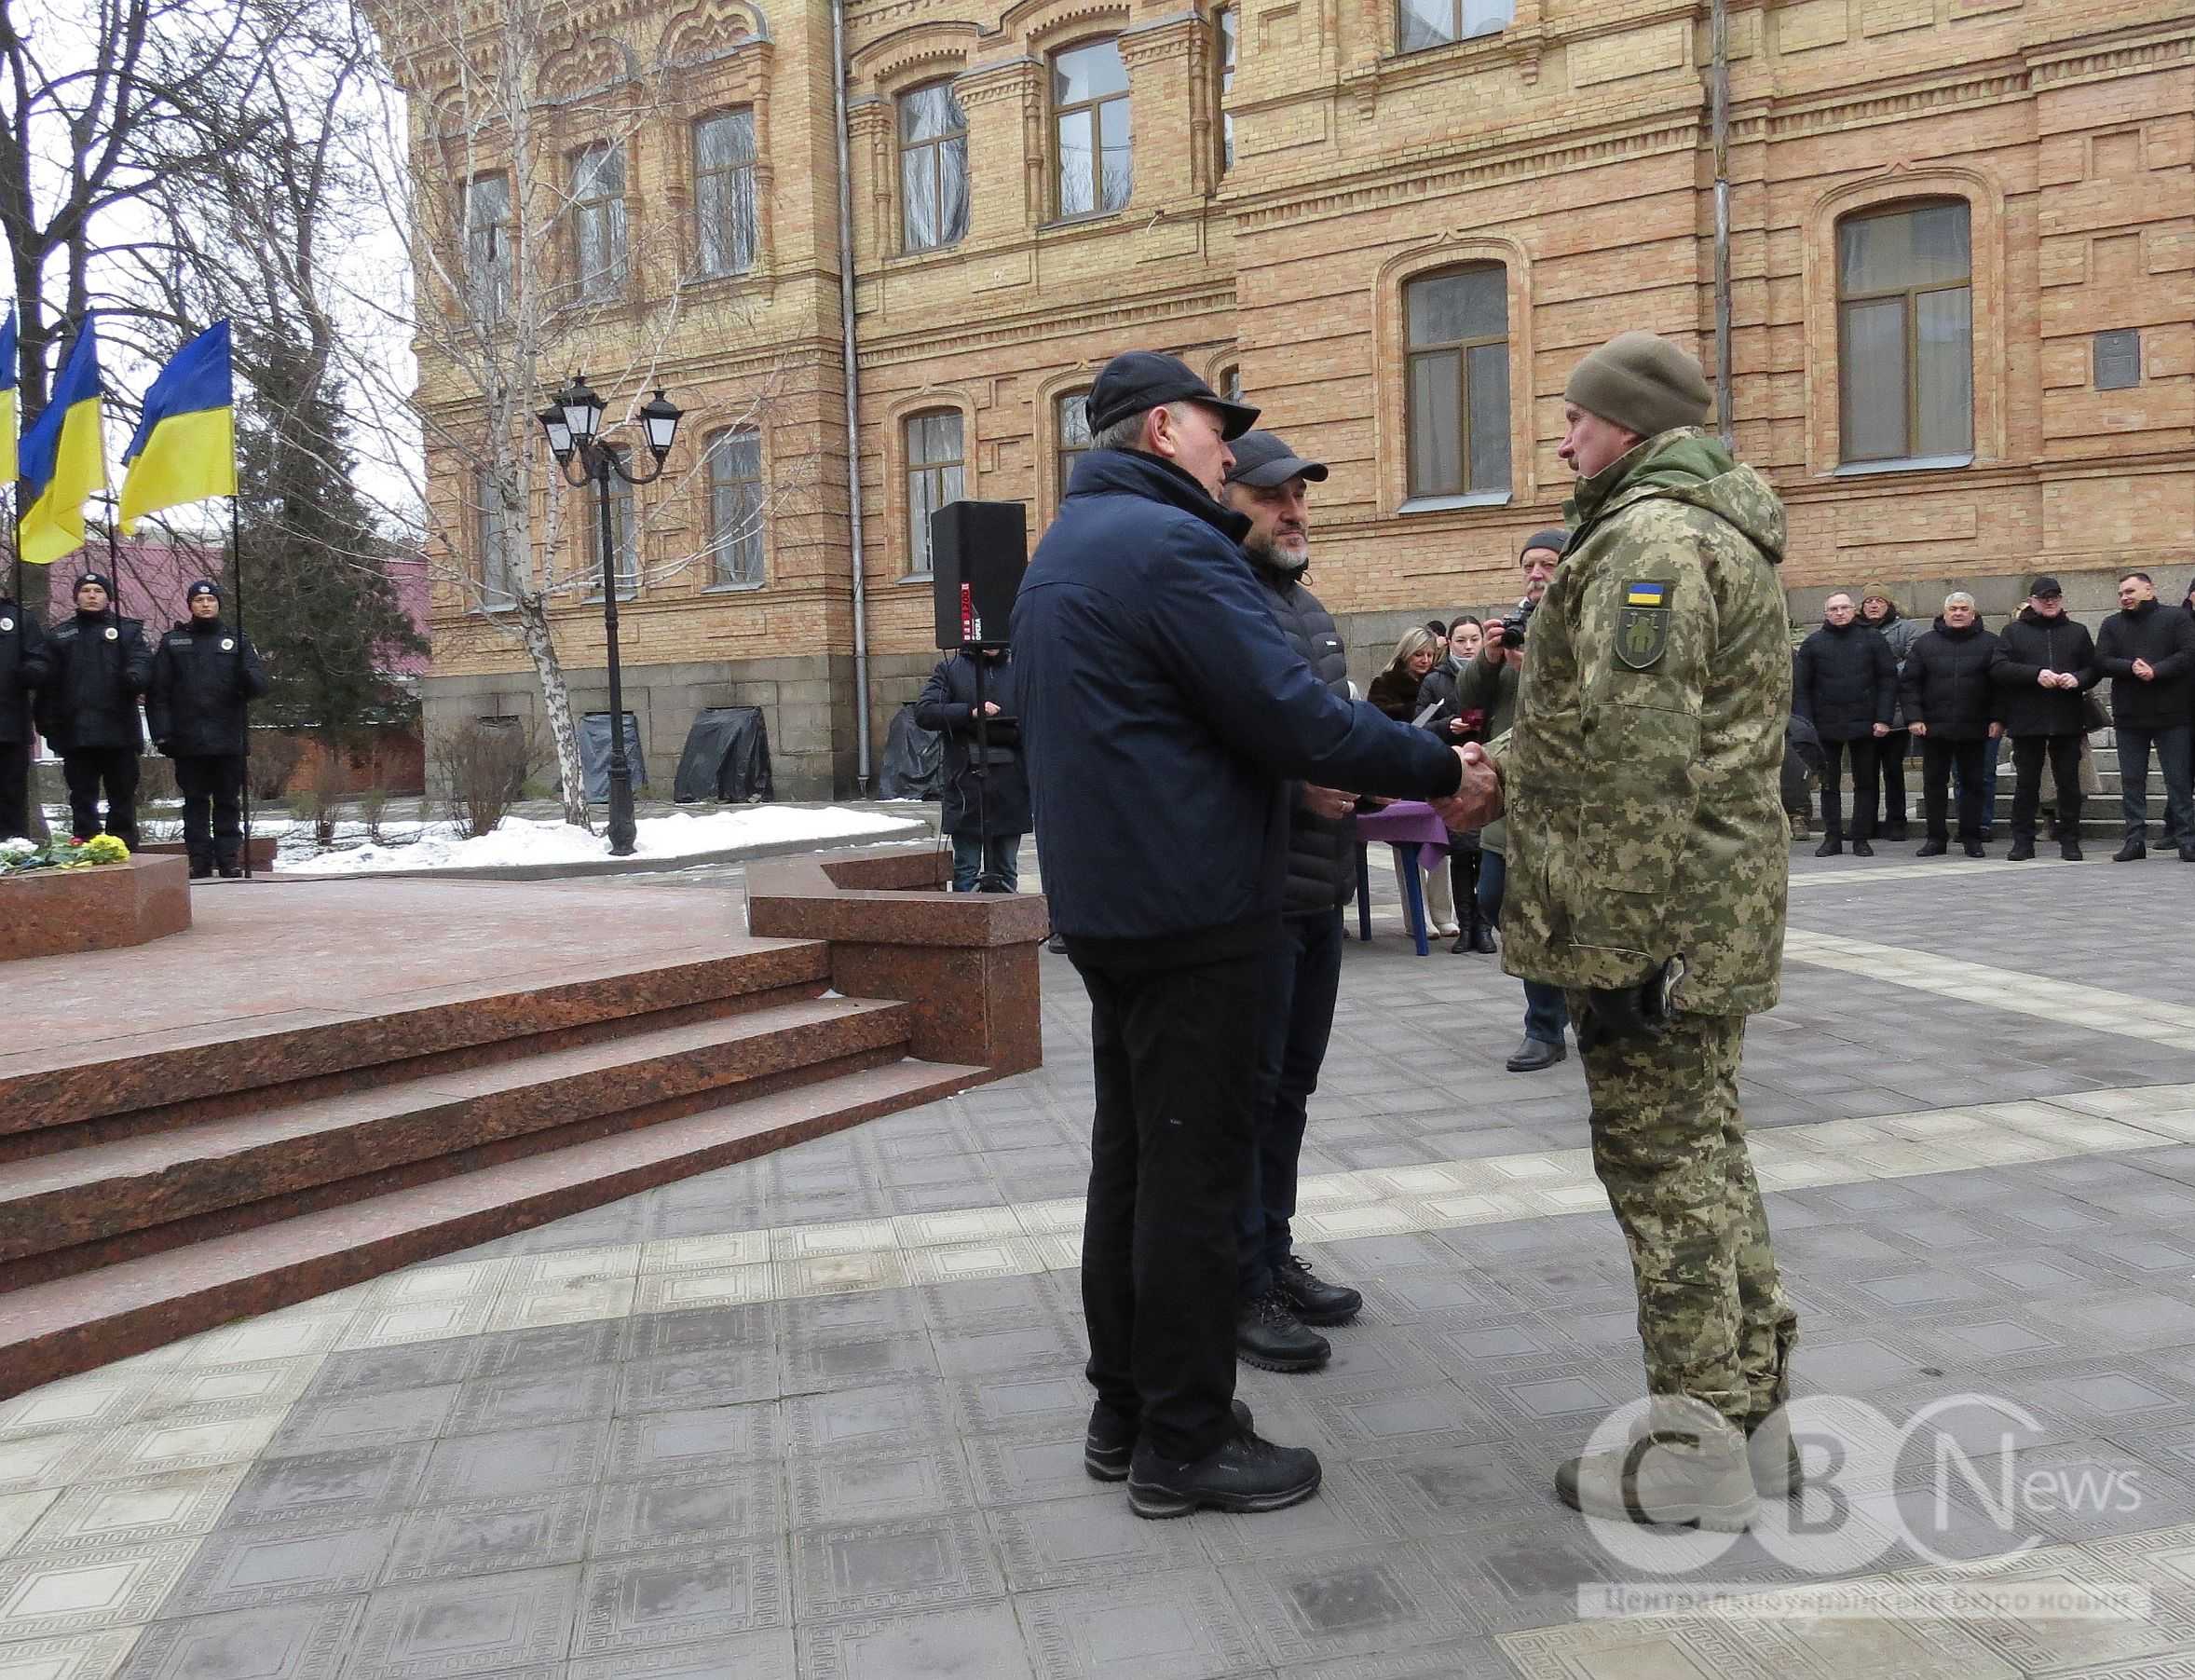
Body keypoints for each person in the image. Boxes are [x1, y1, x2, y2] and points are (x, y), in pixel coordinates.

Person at [1011, 350, 1469, 1520]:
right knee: (1196, 1185)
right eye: (1221, 431)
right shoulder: (1170, 547)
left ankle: (1127, 1410)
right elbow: (1291, 712)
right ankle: (1185, 1438)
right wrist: (1435, 764)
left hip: (1118, 905)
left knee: (1135, 1169)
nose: (1232, 451)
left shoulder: (1072, 543)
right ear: (1165, 428)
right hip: (1194, 909)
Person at [1448, 330, 1797, 1532]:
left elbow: (1638, 758)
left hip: (1660, 915)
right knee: (1712, 1156)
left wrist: (1620, 945)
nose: (1561, 437)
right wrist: (1483, 763)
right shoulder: (1708, 527)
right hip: (1716, 906)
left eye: (1578, 419)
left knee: (1662, 1175)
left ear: (1632, 428)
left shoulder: (1651, 540)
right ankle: (1755, 1422)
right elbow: (1597, 726)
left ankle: (1697, 1452)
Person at [1217, 428, 1363, 1375]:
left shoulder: (1302, 606)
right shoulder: (1221, 604)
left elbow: (1328, 726)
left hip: (1319, 888)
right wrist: (1293, 787)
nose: (1294, 509)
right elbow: (1195, 752)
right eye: (1273, 496)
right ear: (1226, 500)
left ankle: (1274, 1249)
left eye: (1300, 495)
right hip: (1254, 891)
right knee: (1249, 1093)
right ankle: (1240, 1282)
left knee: (1293, 1089)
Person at [1458, 530, 1575, 1071]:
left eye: (1547, 563)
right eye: (1528, 564)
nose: (1535, 573)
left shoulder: (1584, 623)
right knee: (1494, 898)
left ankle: (1546, 1026)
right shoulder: (1513, 626)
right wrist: (1488, 657)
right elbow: (1469, 700)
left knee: (1568, 913)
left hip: (1571, 800)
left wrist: (1539, 667)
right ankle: (1557, 1001)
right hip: (1512, 796)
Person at [147, 580, 269, 880]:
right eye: (199, 599)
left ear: (219, 605)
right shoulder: (173, 642)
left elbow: (259, 686)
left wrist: (247, 675)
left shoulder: (237, 640)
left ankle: (229, 858)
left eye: (211, 599)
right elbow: (158, 693)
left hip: (228, 736)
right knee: (195, 802)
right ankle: (199, 859)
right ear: (190, 605)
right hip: (188, 738)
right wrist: (162, 733)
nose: (205, 604)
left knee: (228, 801)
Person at [36, 572, 151, 851]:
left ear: (108, 597)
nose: (91, 595)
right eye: (86, 590)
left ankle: (123, 845)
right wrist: (48, 726)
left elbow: (144, 661)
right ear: (76, 596)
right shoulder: (60, 636)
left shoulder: (128, 632)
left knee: (122, 794)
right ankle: (86, 842)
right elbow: (48, 686)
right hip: (77, 731)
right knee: (82, 795)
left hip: (119, 730)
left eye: (98, 590)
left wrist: (135, 675)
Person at [1988, 575, 2096, 863]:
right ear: (2032, 601)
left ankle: (2070, 839)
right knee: (2027, 784)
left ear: (2061, 600)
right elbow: (1999, 668)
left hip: (2067, 718)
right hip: (2027, 719)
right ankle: (2022, 841)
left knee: (2069, 784)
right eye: (2044, 597)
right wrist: (2035, 674)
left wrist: (2078, 678)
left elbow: (2093, 668)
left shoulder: (2077, 631)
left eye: (2055, 597)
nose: (2050, 602)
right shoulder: (2013, 632)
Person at [2093, 569, 2195, 862]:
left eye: (2130, 591)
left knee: (2178, 780)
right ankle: (2134, 840)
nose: (2125, 598)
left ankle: (2186, 840)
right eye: (2121, 593)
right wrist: (2130, 668)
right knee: (2132, 781)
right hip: (2129, 716)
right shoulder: (2111, 624)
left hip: (2172, 714)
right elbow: (2101, 660)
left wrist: (2156, 670)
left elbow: (2188, 653)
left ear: (2149, 590)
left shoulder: (2177, 618)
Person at [912, 645, 1029, 892]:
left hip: (1011, 786)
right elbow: (925, 712)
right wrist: (970, 713)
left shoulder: (1017, 669)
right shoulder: (951, 669)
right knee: (966, 869)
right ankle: (969, 926)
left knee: (1006, 869)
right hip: (967, 785)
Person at [1901, 592, 2003, 858]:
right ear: (1944, 613)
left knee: (1973, 784)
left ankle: (1971, 837)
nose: (1958, 613)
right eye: (1953, 609)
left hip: (1975, 727)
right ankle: (1936, 838)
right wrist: (1914, 718)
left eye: (1963, 609)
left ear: (1973, 613)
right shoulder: (1925, 644)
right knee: (1934, 785)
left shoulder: (1991, 644)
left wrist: (1997, 719)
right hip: (1933, 728)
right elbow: (1910, 684)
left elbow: (2000, 686)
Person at [1369, 626, 1457, 936]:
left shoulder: (1437, 682)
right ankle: (1417, 918)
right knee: (1407, 847)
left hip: (1432, 767)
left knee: (1439, 840)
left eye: (1430, 654)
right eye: (1419, 654)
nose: (1425, 660)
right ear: (1406, 654)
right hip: (1402, 770)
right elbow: (1379, 727)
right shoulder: (1385, 684)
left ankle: (1443, 914)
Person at [1792, 592, 1895, 856]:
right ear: (1825, 613)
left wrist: (1883, 719)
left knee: (1866, 783)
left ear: (1853, 610)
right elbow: (1801, 687)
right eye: (1833, 609)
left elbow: (1887, 680)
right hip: (1825, 726)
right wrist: (1805, 724)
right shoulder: (1813, 644)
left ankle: (1861, 838)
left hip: (1866, 724)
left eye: (1844, 608)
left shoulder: (1873, 638)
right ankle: (1832, 837)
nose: (1839, 613)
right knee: (1829, 785)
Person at [1422, 616, 1494, 954]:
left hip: (1492, 770)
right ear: (1448, 642)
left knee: (1489, 853)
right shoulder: (1435, 680)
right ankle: (1465, 927)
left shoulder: (1497, 672)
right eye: (1461, 640)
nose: (1468, 646)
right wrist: (1449, 726)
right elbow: (1420, 726)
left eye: (1473, 640)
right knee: (1462, 854)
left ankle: (1485, 926)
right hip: (1456, 773)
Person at [1857, 586, 1925, 840]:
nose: (1873, 605)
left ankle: (1897, 821)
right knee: (1865, 772)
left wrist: (1883, 673)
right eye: (1869, 601)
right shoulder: (1855, 631)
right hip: (1863, 713)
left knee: (1893, 770)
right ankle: (1866, 822)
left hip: (1896, 714)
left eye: (1879, 601)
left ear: (1889, 604)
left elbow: (1914, 661)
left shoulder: (1906, 629)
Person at [0, 594, 52, 840]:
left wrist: (34, 669)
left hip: (9, 722)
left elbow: (39, 656)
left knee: (12, 790)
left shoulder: (19, 618)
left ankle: (12, 846)